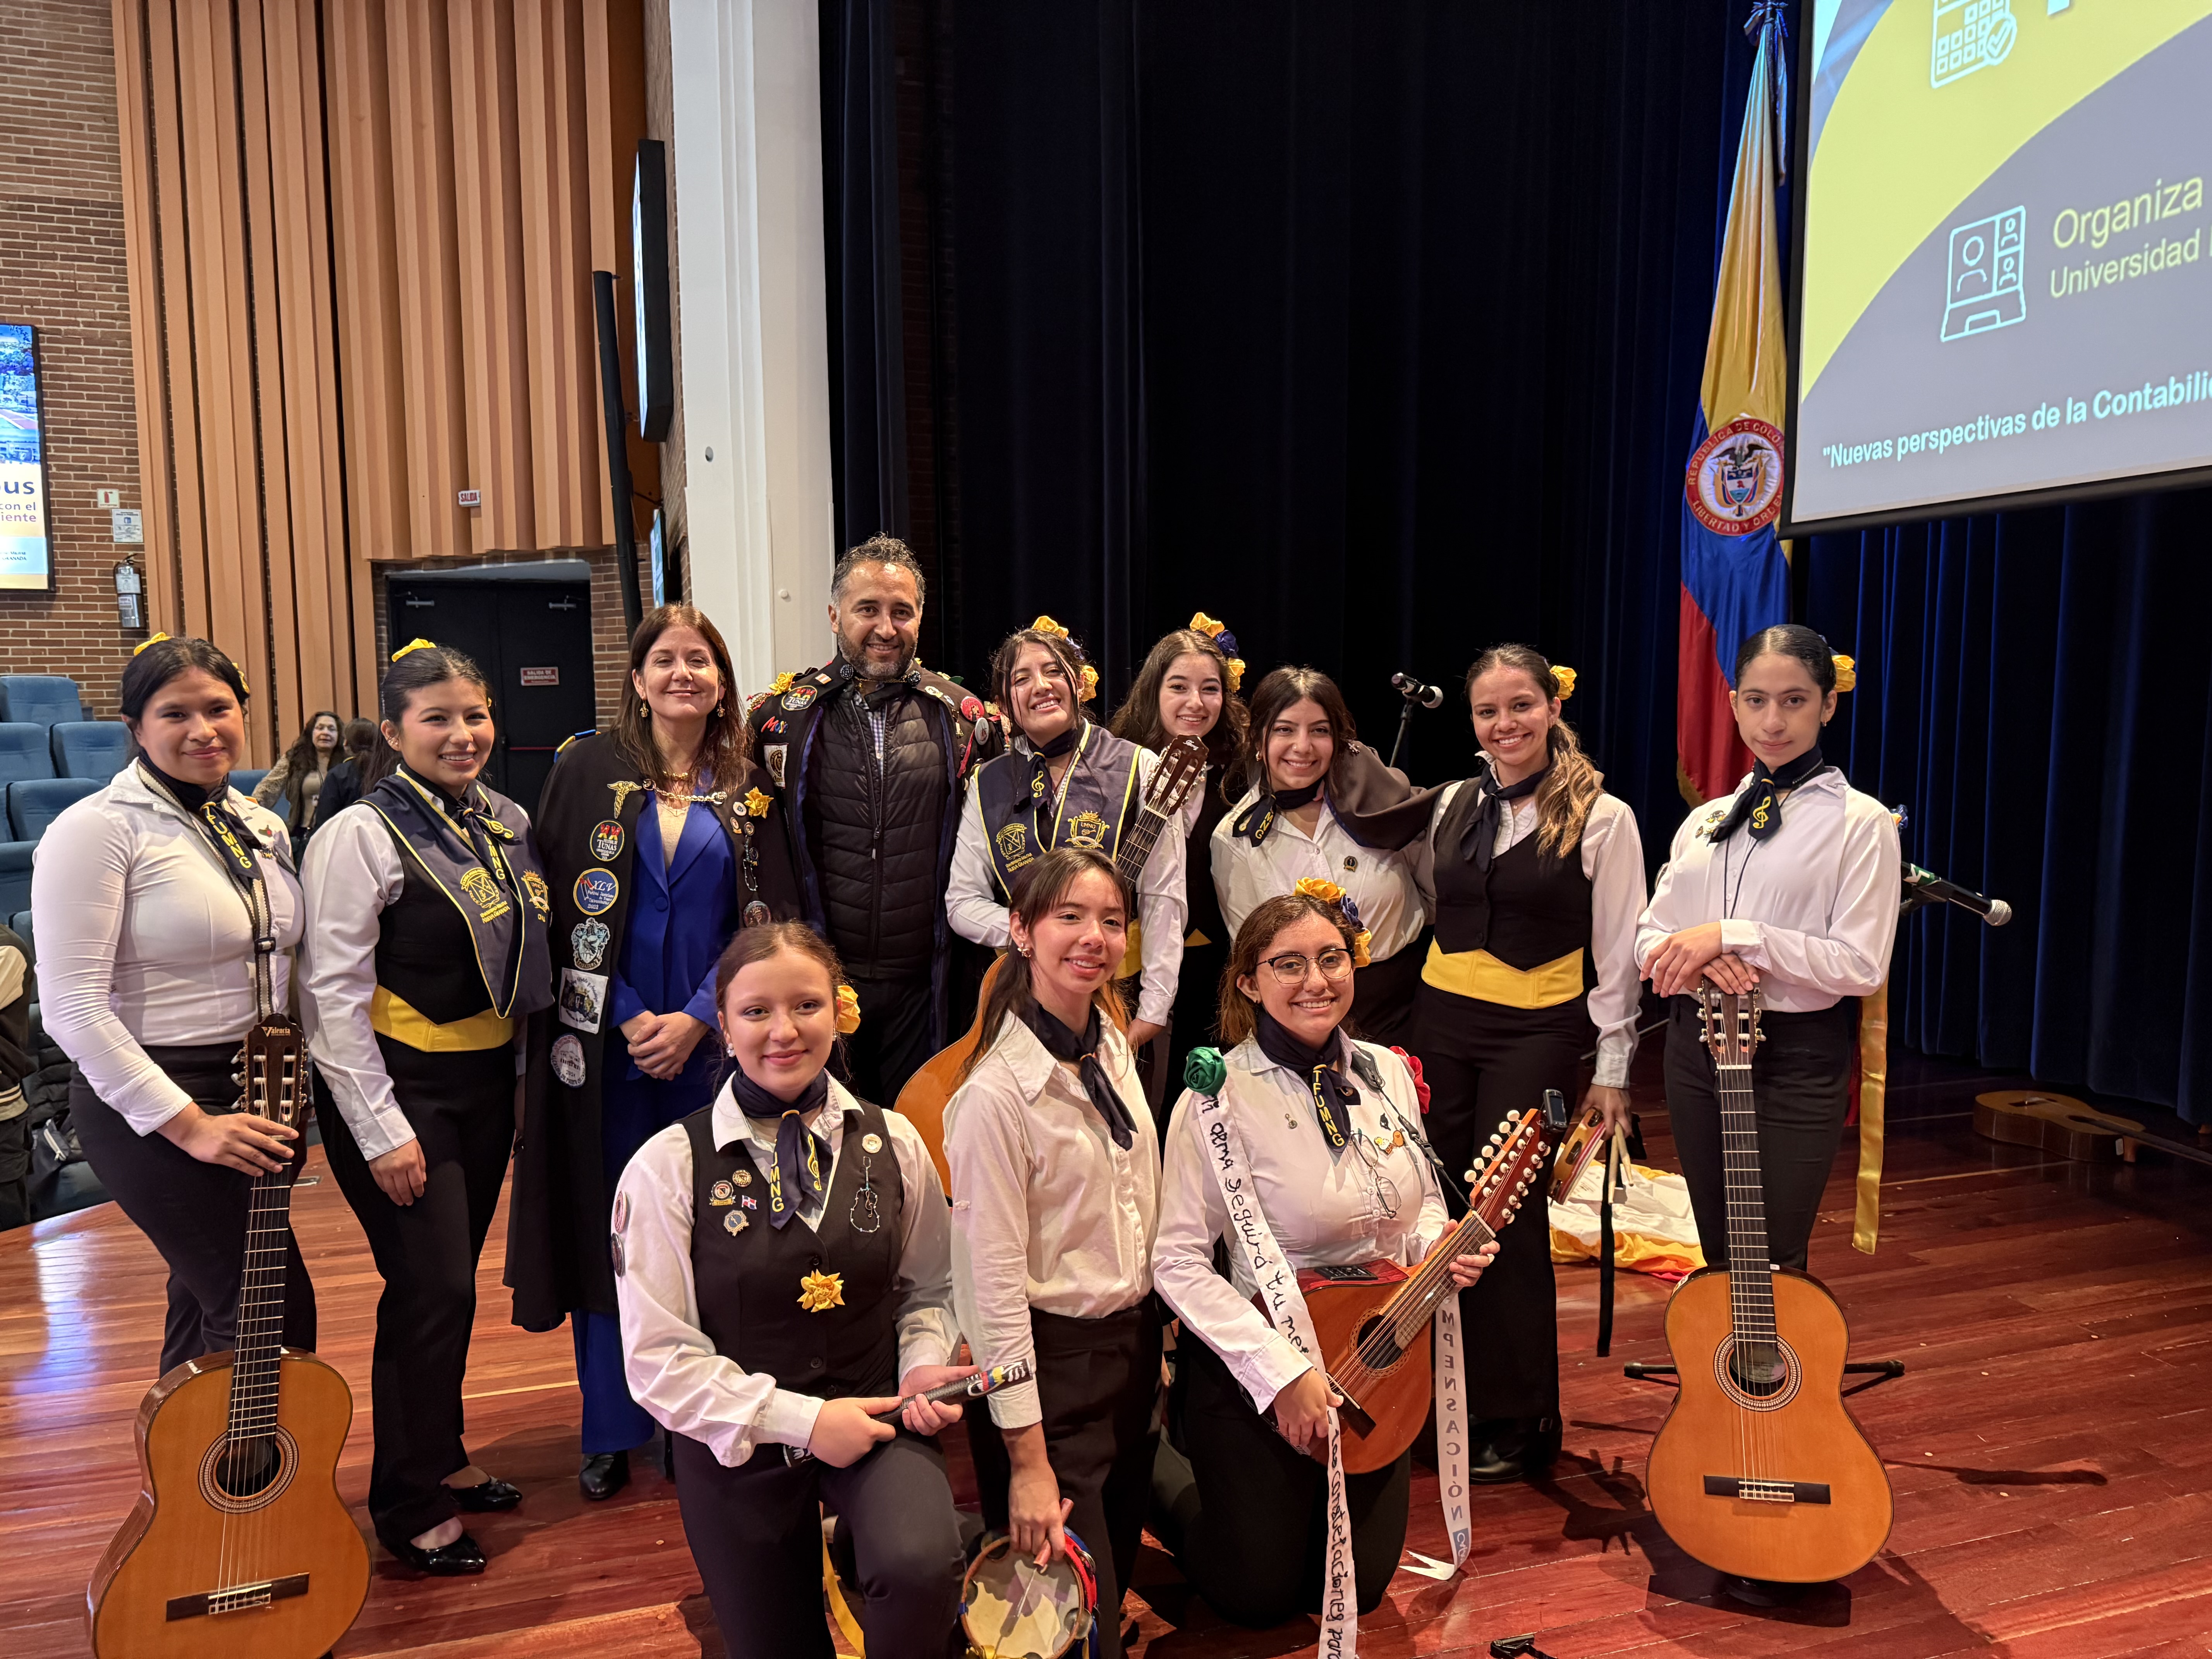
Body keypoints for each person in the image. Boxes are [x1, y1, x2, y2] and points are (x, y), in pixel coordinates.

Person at [613, 921, 970, 1658]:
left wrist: (921, 1363)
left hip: (876, 1411)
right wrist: (804, 1421)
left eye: (806, 1005)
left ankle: (870, 1559)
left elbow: (930, 1287)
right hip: (738, 1438)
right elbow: (658, 1360)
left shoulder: (897, 1141)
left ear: (838, 1012)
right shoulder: (666, 1167)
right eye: (756, 1011)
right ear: (722, 1023)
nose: (784, 1031)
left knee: (919, 1566)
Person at [513, 604, 802, 1502]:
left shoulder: (752, 786)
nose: (685, 674)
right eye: (666, 660)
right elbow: (555, 909)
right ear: (637, 679)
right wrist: (635, 1016)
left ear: (721, 682)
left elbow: (774, 923)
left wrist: (698, 1016)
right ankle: (612, 1423)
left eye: (702, 661)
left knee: (711, 1228)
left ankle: (697, 1416)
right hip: (605, 1050)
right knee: (614, 1229)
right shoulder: (584, 769)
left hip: (714, 1048)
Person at [1150, 888, 1495, 1631]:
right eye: (1289, 964)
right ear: (1248, 980)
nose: (1317, 980)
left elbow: (1422, 1201)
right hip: (1265, 1364)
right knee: (1256, 1597)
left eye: (1331, 958)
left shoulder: (1386, 1070)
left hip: (1375, 1357)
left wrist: (1435, 1245)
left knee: (1361, 1589)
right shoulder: (1217, 1096)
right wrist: (1281, 1374)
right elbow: (1178, 1259)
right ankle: (1153, 1459)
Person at [300, 640, 554, 1575]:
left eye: (475, 714)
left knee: (451, 1291)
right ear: (397, 730)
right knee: (430, 1290)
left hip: (486, 1088)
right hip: (402, 1094)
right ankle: (406, 1504)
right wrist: (382, 1130)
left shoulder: (509, 819)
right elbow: (329, 996)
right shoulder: (360, 835)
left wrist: (522, 1095)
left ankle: (440, 1456)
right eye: (438, 718)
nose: (462, 733)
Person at [31, 635, 313, 1372]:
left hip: (261, 1086)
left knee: (208, 1305)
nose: (203, 729)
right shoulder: (95, 829)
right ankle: (252, 1489)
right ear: (135, 727)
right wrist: (190, 1126)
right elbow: (71, 1006)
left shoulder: (259, 822)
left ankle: (190, 1488)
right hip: (156, 1099)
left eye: (220, 707)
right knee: (268, 1311)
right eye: (175, 712)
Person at [1413, 646, 1647, 1484]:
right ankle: (1436, 1395)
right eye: (1487, 711)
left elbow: (1621, 953)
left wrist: (1612, 1069)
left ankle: (1517, 1414)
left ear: (1553, 708)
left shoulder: (1606, 817)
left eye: (1520, 706)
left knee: (1502, 1214)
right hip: (1439, 1025)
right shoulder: (1452, 803)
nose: (1504, 724)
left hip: (1536, 1032)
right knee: (1434, 1208)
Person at [944, 847, 1161, 1659]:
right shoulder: (993, 1099)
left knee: (1108, 1589)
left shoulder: (1108, 1043)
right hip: (1051, 1375)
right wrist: (1027, 1460)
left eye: (1110, 920)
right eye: (1069, 916)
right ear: (1021, 933)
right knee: (1077, 1635)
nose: (1093, 937)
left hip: (1129, 1356)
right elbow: (990, 1291)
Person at [1637, 625, 1897, 1282]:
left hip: (1796, 1052)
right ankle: (1717, 1376)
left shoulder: (1860, 821)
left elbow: (1860, 964)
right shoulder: (1705, 819)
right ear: (1731, 702)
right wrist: (1698, 955)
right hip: (1694, 1043)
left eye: (1794, 700)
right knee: (1718, 1243)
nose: (1772, 720)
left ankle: (1771, 1375)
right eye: (1755, 700)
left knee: (1774, 1248)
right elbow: (1649, 937)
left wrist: (1732, 934)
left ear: (1828, 704)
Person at [745, 535, 999, 1106]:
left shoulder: (963, 719)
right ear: (835, 615)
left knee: (919, 1134)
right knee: (821, 1135)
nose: (886, 627)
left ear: (920, 618)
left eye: (901, 612)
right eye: (868, 609)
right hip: (818, 981)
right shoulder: (780, 719)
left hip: (928, 983)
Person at [949, 618, 1188, 1099]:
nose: (1040, 686)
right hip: (1018, 1000)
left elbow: (1165, 900)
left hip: (1120, 994)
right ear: (1003, 703)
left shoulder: (1139, 768)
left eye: (1053, 671)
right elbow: (961, 901)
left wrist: (1153, 1013)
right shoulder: (987, 783)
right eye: (1020, 678)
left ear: (1078, 683)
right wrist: (1037, 936)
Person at [1211, 666, 1436, 1046]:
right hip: (1305, 1013)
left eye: (1319, 730)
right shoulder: (1234, 839)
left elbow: (1434, 899)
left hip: (1409, 1007)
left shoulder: (1381, 805)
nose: (1304, 746)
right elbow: (1253, 952)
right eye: (1285, 729)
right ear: (1257, 741)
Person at [1107, 611, 1248, 1122]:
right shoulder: (1114, 768)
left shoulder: (1243, 772)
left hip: (1214, 966)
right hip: (1130, 967)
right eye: (1179, 686)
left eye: (1210, 689)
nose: (1195, 702)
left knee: (1203, 1103)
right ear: (1153, 690)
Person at [255, 708, 341, 855]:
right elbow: (268, 790)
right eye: (320, 728)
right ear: (311, 732)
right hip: (302, 838)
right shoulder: (294, 759)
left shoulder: (347, 763)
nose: (325, 733)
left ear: (339, 736)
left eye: (331, 729)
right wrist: (251, 814)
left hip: (338, 840)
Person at [307, 718, 380, 839]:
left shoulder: (338, 774)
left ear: (346, 744)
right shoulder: (391, 771)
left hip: (346, 844)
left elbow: (325, 823)